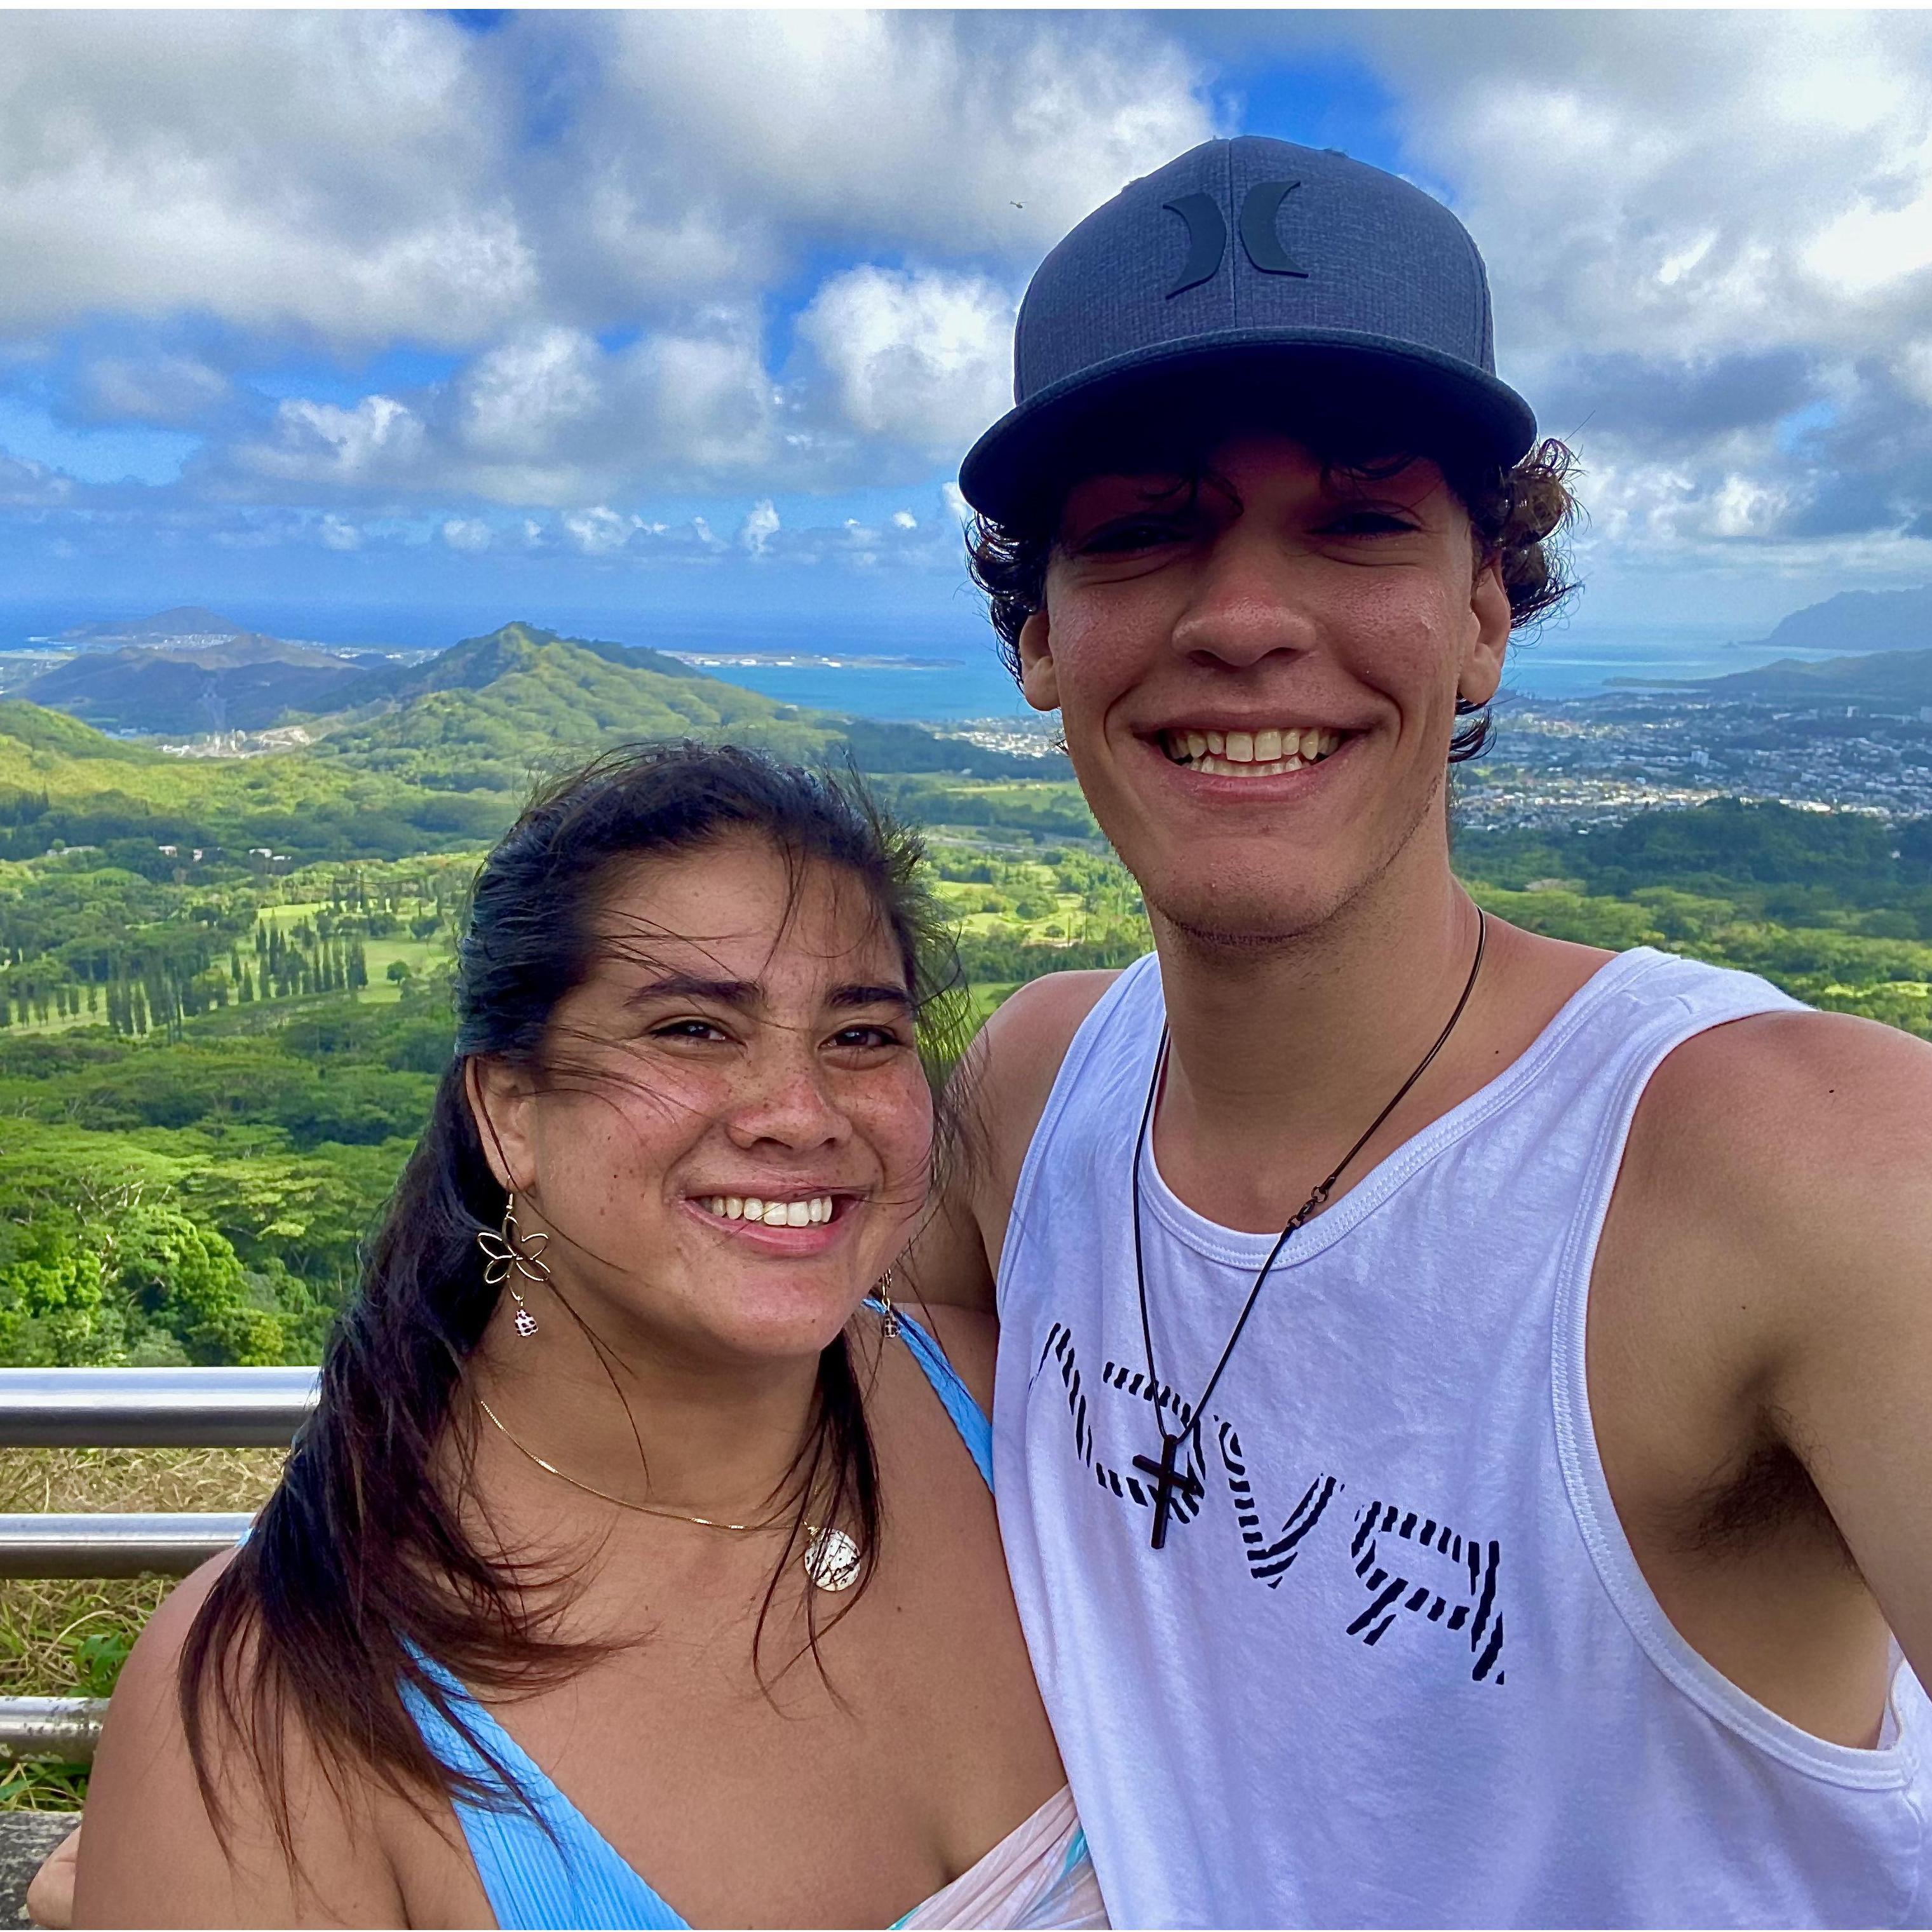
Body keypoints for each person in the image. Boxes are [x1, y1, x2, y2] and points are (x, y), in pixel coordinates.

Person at [910, 135, 1932, 1926]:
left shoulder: (1789, 1168)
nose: (1238, 617)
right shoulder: (1031, 1093)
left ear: (1482, 620)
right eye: (1142, 531)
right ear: (1037, 640)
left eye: (1360, 520)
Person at [71, 745, 1106, 1929]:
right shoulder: (279, 1705)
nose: (799, 1112)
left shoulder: (1022, 1408)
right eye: (691, 1030)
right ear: (510, 1112)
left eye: (861, 1036)